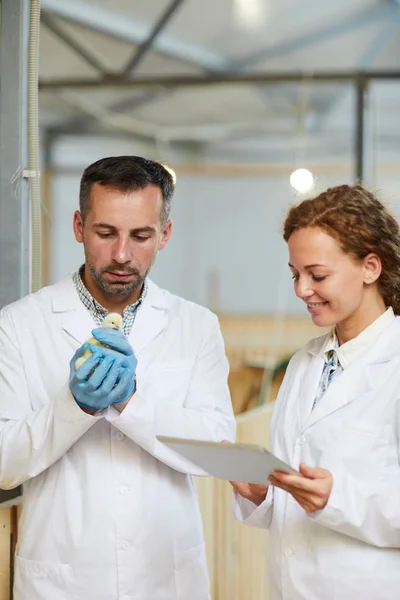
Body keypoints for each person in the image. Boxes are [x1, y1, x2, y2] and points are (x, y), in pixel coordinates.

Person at [0, 156, 235, 600]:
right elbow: (4, 463)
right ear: (78, 226)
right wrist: (77, 407)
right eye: (105, 233)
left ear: (164, 234)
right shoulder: (18, 325)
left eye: (141, 235)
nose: (122, 254)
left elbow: (217, 450)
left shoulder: (195, 325)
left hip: (166, 576)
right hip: (64, 577)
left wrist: (131, 404)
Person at [231, 184, 400, 600]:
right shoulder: (305, 363)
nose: (301, 290)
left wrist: (335, 498)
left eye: (317, 275)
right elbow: (291, 496)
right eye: (295, 274)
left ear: (371, 267)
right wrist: (262, 494)